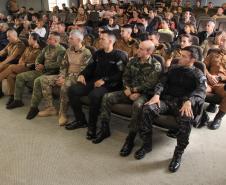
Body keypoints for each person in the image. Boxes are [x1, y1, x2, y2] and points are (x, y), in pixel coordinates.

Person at [138, 46, 206, 172]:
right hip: (167, 100)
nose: (179, 58)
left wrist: (190, 101)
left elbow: (201, 92)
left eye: (184, 56)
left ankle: (178, 154)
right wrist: (157, 94)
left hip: (183, 104)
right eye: (181, 54)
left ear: (193, 60)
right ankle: (146, 145)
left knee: (187, 118)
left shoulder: (198, 73)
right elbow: (162, 81)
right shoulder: (173, 68)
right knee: (147, 108)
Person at [93, 40, 162, 147]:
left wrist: (134, 91)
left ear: (149, 52)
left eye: (141, 49)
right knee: (107, 97)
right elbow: (125, 76)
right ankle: (104, 129)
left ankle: (131, 137)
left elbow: (149, 85)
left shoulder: (155, 65)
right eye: (138, 47)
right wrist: (128, 89)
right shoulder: (133, 60)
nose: (137, 50)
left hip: (144, 94)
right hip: (129, 90)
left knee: (137, 105)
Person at [65, 30, 128, 141]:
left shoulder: (119, 56)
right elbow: (90, 67)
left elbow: (120, 74)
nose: (99, 40)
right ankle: (80, 120)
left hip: (110, 85)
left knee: (94, 95)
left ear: (110, 41)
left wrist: (105, 80)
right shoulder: (98, 53)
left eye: (102, 39)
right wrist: (82, 75)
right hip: (94, 81)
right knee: (73, 90)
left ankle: (92, 126)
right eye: (99, 38)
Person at [36, 30, 92, 126]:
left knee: (65, 85)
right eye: (69, 37)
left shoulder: (86, 53)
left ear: (78, 40)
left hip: (77, 78)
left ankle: (63, 113)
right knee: (44, 79)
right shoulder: (69, 50)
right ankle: (50, 108)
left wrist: (65, 79)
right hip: (66, 75)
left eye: (71, 38)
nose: (68, 39)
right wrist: (62, 76)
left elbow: (83, 72)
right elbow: (63, 66)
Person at [6, 32, 66, 120]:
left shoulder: (61, 50)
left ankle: (34, 107)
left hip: (52, 73)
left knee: (37, 81)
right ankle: (17, 100)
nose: (47, 40)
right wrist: (38, 64)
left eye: (49, 39)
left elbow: (59, 64)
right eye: (48, 38)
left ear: (56, 40)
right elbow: (39, 58)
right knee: (20, 77)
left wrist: (44, 66)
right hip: (41, 70)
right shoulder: (47, 48)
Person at [0, 32, 41, 105]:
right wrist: (22, 62)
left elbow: (35, 64)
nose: (28, 40)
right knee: (10, 76)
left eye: (29, 38)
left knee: (11, 67)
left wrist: (25, 64)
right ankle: (12, 96)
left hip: (29, 69)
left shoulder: (39, 51)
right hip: (21, 66)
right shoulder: (28, 48)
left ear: (35, 40)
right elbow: (21, 58)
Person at [204, 32, 226, 130]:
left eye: (224, 41)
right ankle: (199, 115)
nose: (221, 42)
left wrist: (220, 78)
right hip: (208, 81)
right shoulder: (213, 53)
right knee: (197, 89)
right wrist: (208, 76)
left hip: (221, 84)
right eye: (221, 40)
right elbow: (202, 65)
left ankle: (217, 119)